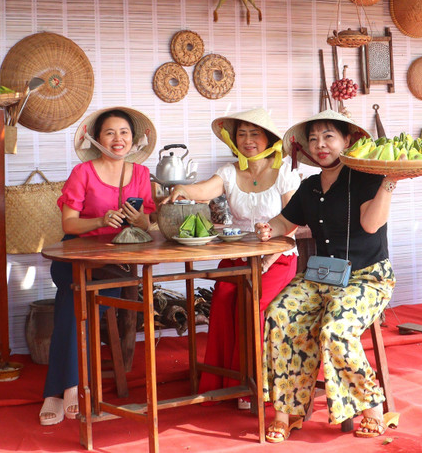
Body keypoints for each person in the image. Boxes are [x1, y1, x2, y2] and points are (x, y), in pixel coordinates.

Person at [254, 109, 399, 442]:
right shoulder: (308, 187)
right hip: (320, 277)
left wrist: (390, 182)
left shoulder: (367, 178)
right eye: (314, 138)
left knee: (335, 328)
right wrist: (267, 228)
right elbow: (283, 223)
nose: (320, 144)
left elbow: (371, 225)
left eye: (329, 136)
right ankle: (286, 411)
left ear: (347, 140)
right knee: (279, 314)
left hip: (367, 278)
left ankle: (373, 407)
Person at [166, 107, 300, 407]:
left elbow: (293, 221)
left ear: (268, 139)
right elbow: (204, 190)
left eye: (255, 134)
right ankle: (229, 380)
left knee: (253, 302)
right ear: (233, 139)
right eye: (242, 134)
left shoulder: (285, 172)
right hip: (238, 257)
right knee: (225, 297)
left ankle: (257, 382)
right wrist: (184, 188)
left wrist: (268, 257)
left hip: (278, 256)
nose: (248, 140)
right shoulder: (229, 171)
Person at [38, 106, 158, 426]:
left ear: (133, 140)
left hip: (113, 264)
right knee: (77, 297)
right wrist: (100, 221)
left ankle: (59, 390)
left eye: (124, 133)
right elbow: (70, 223)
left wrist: (140, 220)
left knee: (74, 305)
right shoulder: (84, 173)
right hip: (73, 258)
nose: (117, 139)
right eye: (110, 132)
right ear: (97, 138)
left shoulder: (142, 175)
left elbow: (149, 225)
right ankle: (74, 386)